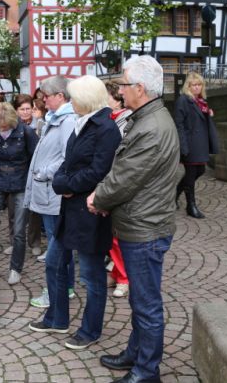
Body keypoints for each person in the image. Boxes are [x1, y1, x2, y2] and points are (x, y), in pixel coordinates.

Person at [89, 55, 179, 383]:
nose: (120, 90)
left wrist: (98, 198)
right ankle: (135, 354)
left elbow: (126, 176)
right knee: (142, 300)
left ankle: (146, 370)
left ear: (140, 88)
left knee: (147, 303)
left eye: (124, 84)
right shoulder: (146, 117)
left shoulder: (152, 125)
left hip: (144, 226)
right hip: (141, 220)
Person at [28, 75, 121, 352]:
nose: (71, 101)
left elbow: (99, 171)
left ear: (86, 99)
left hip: (90, 212)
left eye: (74, 97)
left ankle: (90, 330)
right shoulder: (83, 123)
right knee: (55, 263)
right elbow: (68, 164)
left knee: (91, 276)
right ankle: (57, 318)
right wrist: (62, 182)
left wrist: (66, 184)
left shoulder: (105, 127)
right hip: (70, 209)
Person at [24, 75, 78, 308]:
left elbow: (69, 157)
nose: (43, 101)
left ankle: (59, 291)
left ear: (60, 96)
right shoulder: (56, 117)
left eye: (46, 97)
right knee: (59, 242)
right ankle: (66, 288)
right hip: (49, 191)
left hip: (52, 192)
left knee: (58, 245)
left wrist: (44, 172)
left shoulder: (66, 121)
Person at [0, 103, 39, 284]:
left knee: (19, 230)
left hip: (21, 182)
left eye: (5, 125)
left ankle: (16, 268)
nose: (2, 128)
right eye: (0, 125)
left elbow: (35, 157)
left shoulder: (26, 132)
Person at [173, 72, 219, 219]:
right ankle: (190, 205)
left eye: (199, 85)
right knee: (192, 174)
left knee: (200, 170)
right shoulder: (183, 101)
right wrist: (183, 146)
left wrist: (208, 113)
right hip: (190, 142)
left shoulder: (201, 102)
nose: (197, 87)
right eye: (194, 85)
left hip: (200, 143)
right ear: (188, 86)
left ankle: (175, 193)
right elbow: (179, 125)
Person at [104, 79, 132, 298]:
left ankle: (124, 278)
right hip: (107, 180)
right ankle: (116, 271)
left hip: (117, 182)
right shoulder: (109, 118)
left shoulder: (125, 121)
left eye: (107, 97)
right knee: (111, 235)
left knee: (117, 236)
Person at [14, 93, 43, 257]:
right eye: (22, 109)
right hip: (16, 174)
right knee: (14, 211)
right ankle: (15, 240)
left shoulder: (39, 125)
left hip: (33, 173)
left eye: (29, 109)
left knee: (34, 212)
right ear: (16, 110)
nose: (26, 112)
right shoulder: (12, 125)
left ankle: (35, 241)